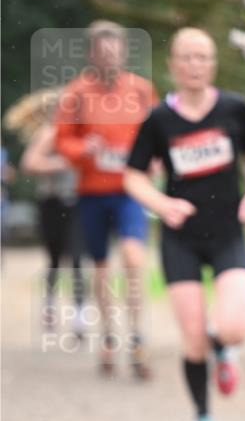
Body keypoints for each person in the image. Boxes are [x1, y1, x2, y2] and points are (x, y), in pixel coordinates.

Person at [124, 27, 245, 421]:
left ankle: (225, 349)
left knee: (236, 327)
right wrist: (161, 204)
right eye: (185, 57)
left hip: (227, 233)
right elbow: (132, 175)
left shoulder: (234, 108)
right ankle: (203, 420)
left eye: (202, 57)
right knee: (192, 340)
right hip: (180, 238)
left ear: (213, 63)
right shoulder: (159, 120)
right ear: (172, 65)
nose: (194, 65)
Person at [54, 21, 159, 377]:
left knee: (133, 258)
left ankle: (136, 336)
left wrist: (154, 158)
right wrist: (85, 148)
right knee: (101, 268)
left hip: (129, 191)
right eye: (103, 51)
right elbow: (62, 142)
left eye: (115, 50)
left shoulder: (142, 90)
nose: (110, 57)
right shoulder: (76, 93)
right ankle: (109, 335)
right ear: (91, 55)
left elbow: (157, 134)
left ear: (124, 52)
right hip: (92, 194)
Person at [6, 87, 85, 333]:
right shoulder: (49, 134)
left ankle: (79, 312)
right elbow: (29, 163)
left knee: (77, 257)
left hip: (78, 203)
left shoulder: (82, 135)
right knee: (54, 257)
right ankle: (50, 305)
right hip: (52, 202)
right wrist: (62, 162)